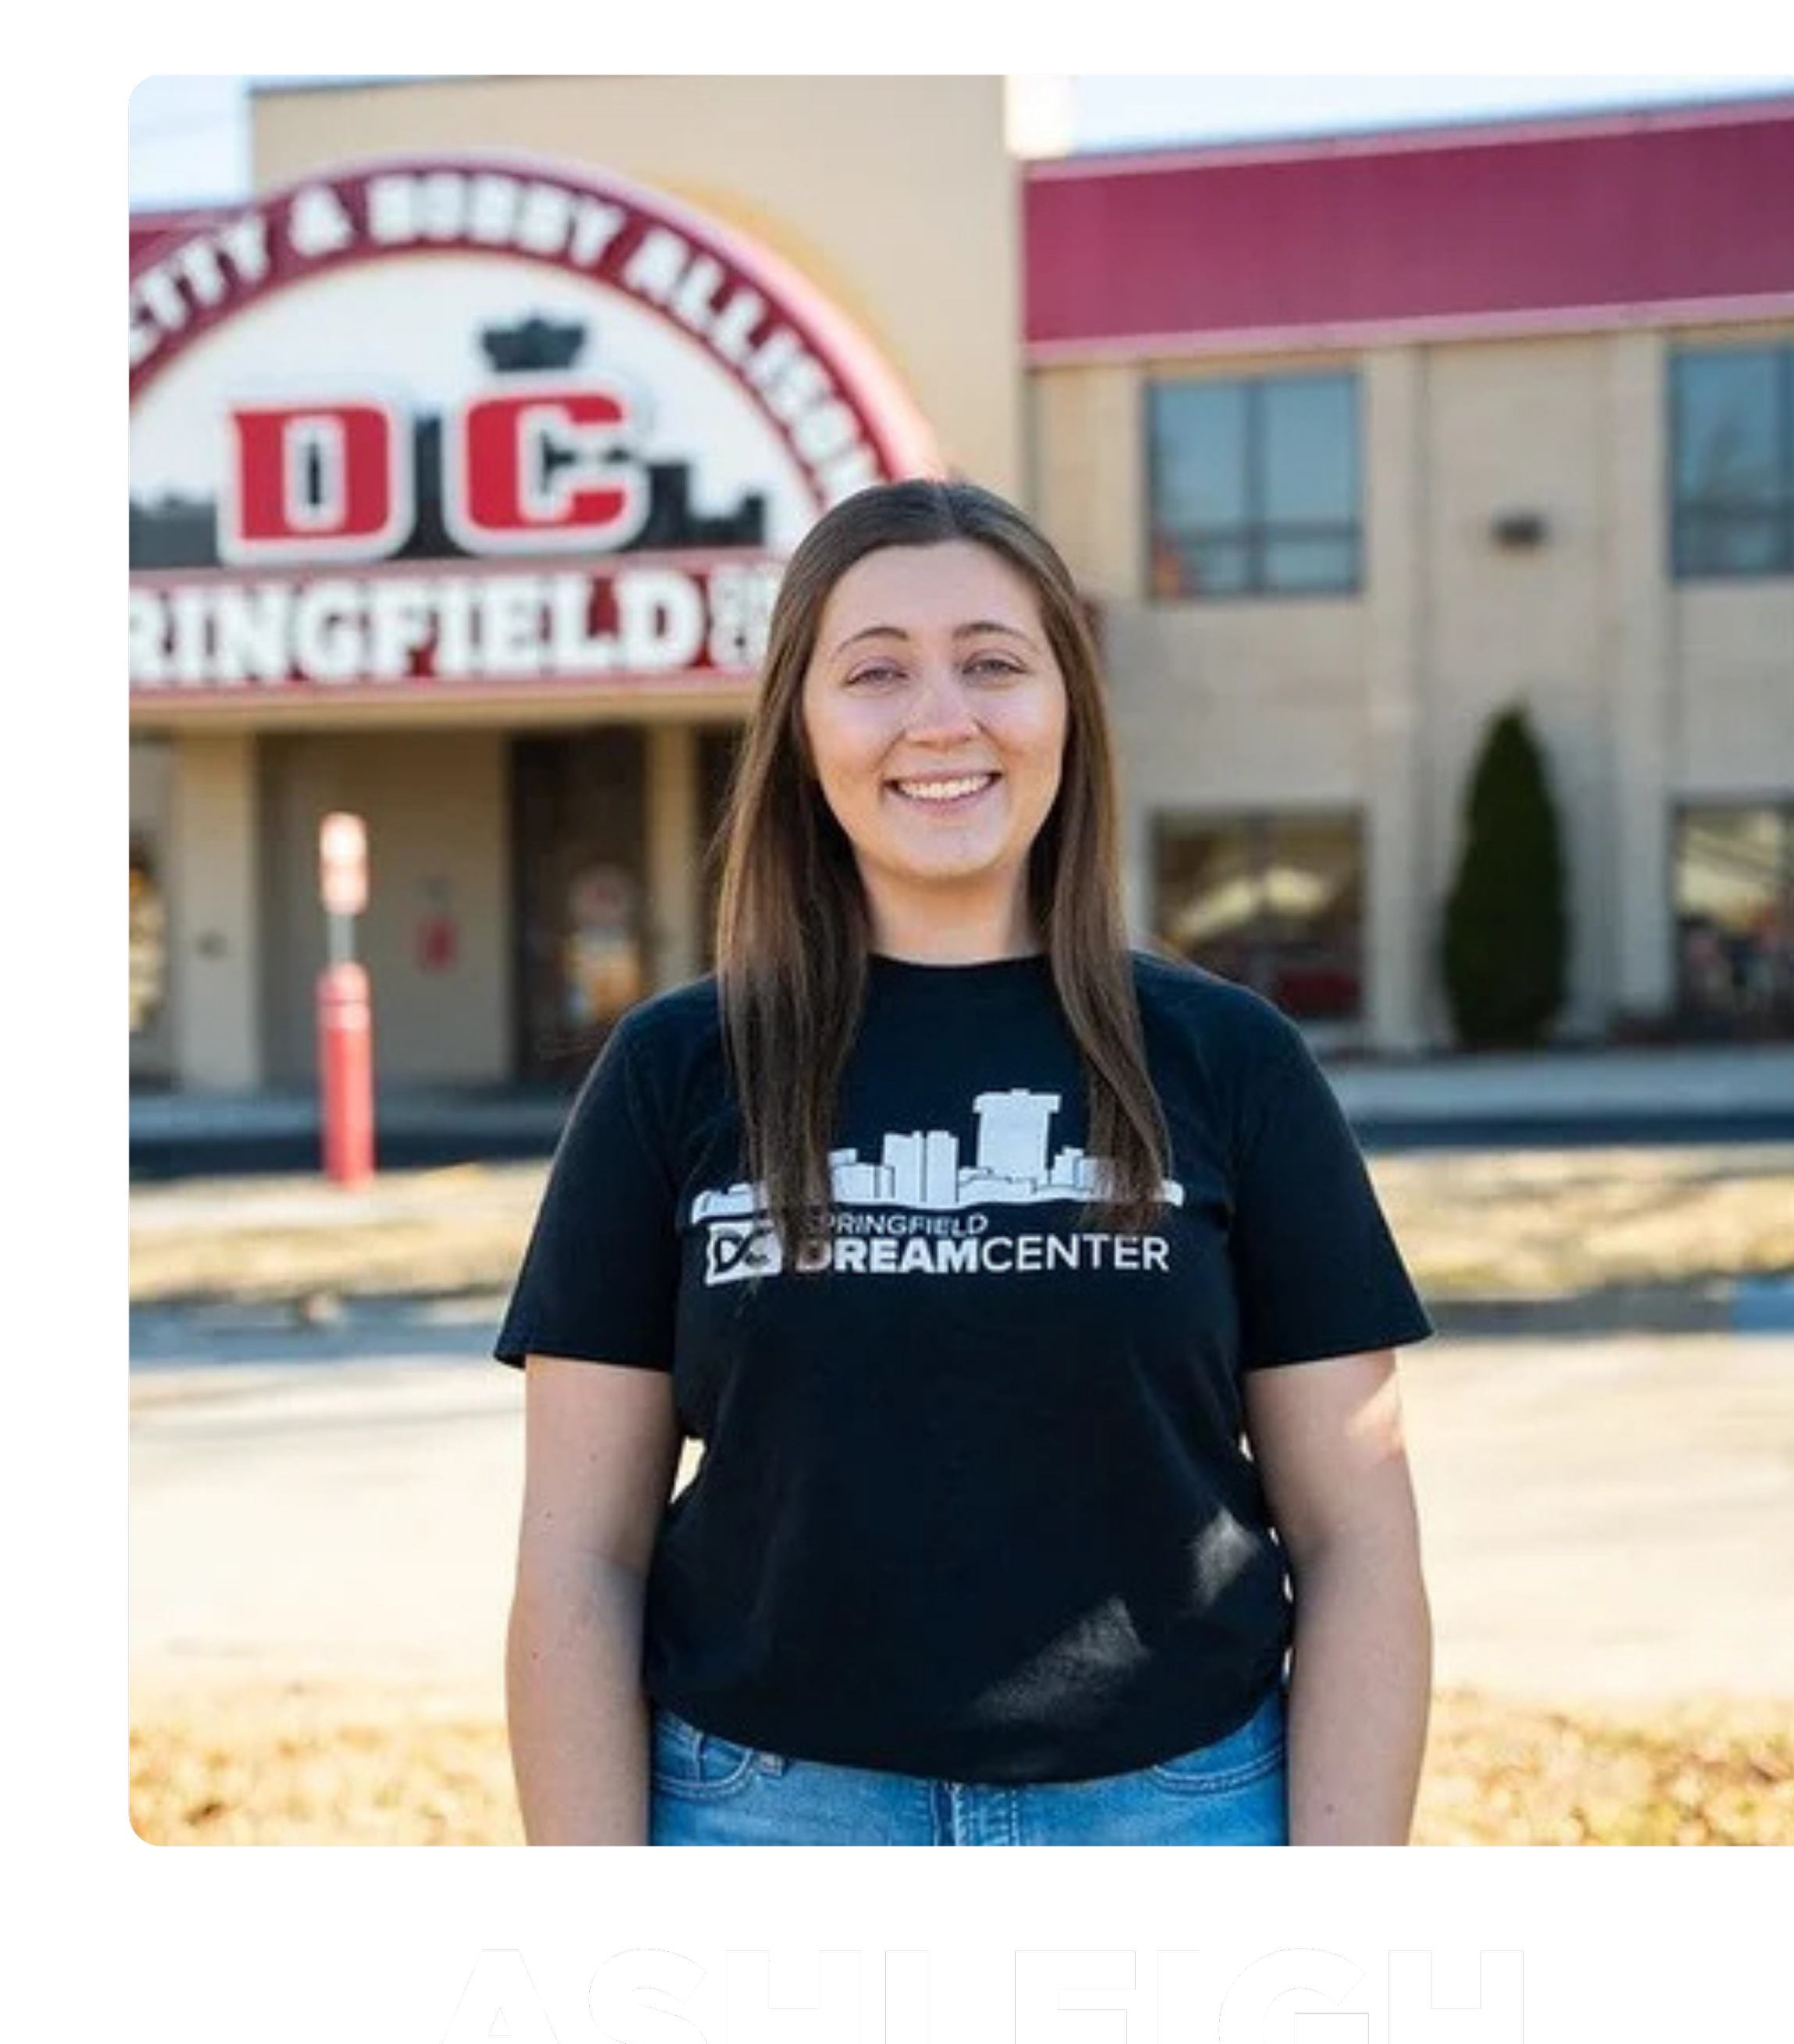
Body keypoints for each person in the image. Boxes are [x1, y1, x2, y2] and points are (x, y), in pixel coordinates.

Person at [495, 476, 1435, 1847]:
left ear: (1067, 708)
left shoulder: (1230, 1062)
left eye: (994, 662)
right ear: (802, 731)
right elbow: (583, 1554)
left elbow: (1358, 1535)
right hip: (763, 1813)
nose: (943, 717)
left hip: (1177, 1811)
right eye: (875, 671)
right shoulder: (676, 1070)